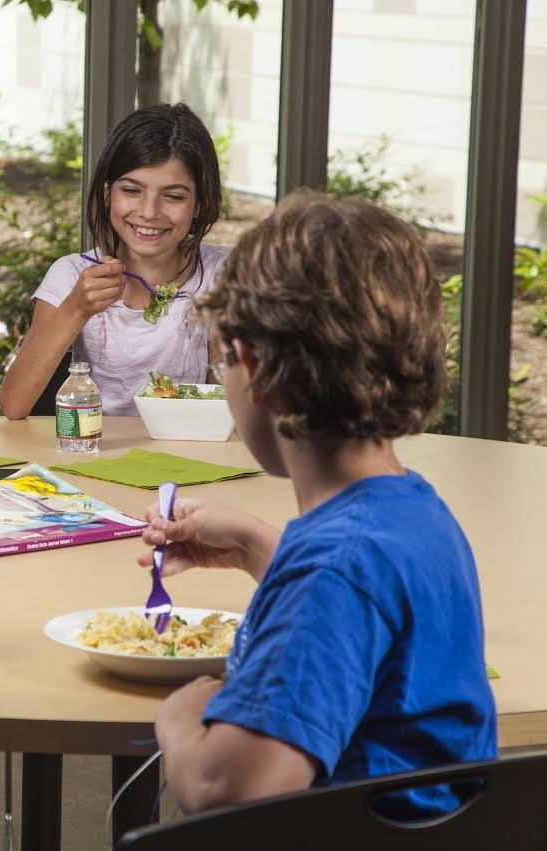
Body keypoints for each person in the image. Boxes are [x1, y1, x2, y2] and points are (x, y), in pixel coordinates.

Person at [140, 191, 497, 817]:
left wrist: (181, 714)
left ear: (250, 366)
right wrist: (256, 545)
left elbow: (227, 789)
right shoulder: (415, 516)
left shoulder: (334, 571)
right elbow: (368, 610)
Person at [0, 103, 228, 419]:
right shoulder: (72, 275)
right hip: (95, 449)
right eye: (132, 190)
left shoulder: (224, 276)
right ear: (107, 194)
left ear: (201, 203)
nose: (149, 211)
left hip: (192, 450)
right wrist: (76, 308)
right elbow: (14, 404)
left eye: (173, 196)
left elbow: (236, 403)